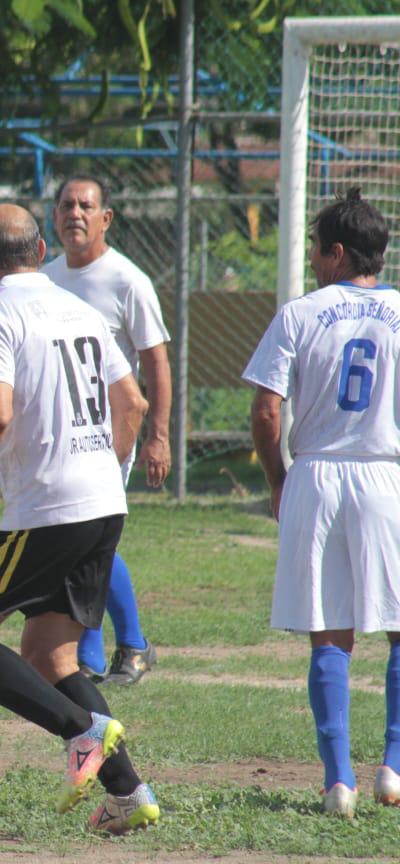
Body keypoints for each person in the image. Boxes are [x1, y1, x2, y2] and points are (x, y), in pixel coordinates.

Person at [0, 204, 159, 834]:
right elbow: (131, 401)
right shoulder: (78, 308)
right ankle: (128, 795)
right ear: (39, 248)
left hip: (47, 511)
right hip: (105, 501)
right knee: (51, 656)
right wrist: (104, 468)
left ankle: (81, 731)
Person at [243, 188, 400, 819]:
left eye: (315, 248)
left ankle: (339, 781)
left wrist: (279, 479)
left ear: (336, 252)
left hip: (316, 474)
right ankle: (393, 766)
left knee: (329, 635)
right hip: (387, 474)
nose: (311, 259)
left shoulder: (300, 313)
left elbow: (265, 409)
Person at [43, 174, 171, 685]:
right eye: (66, 205)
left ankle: (121, 649)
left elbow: (155, 361)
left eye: (85, 206)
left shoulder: (126, 280)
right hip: (62, 435)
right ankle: (102, 653)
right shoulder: (47, 278)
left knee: (90, 542)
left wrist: (156, 434)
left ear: (105, 218)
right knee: (82, 543)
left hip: (112, 433)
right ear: (54, 217)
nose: (75, 213)